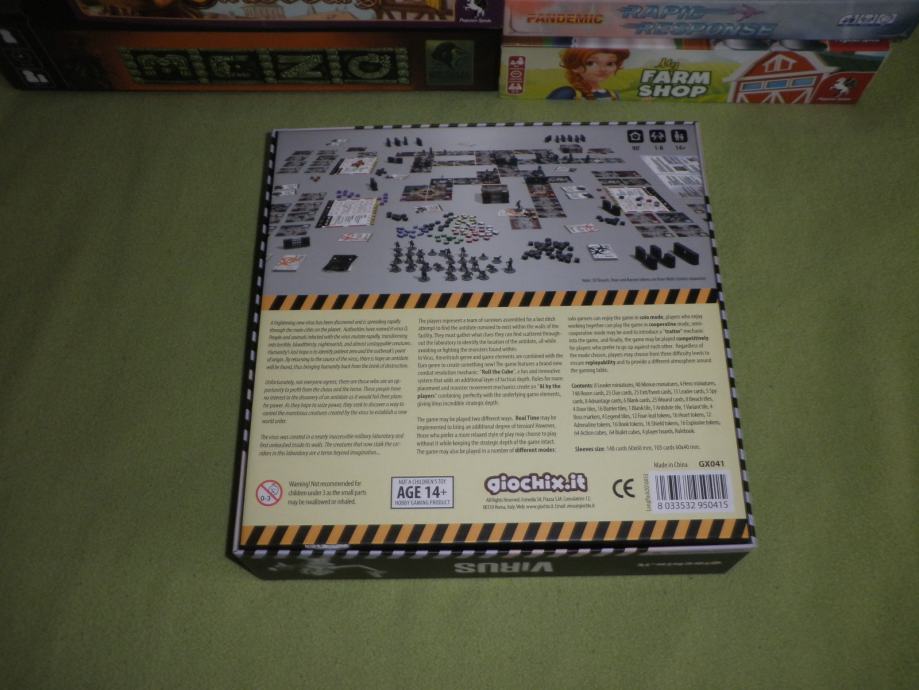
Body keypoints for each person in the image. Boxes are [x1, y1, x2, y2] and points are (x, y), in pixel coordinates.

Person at [547, 48, 630, 101]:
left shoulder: (613, 95)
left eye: (609, 64)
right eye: (591, 63)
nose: (603, 69)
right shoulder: (566, 93)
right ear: (575, 67)